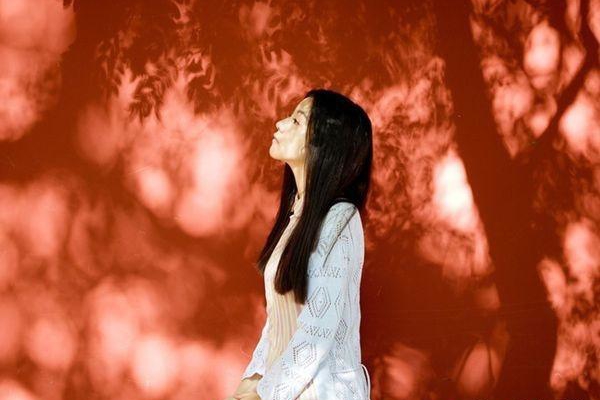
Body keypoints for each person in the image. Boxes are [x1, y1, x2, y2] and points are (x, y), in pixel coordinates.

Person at [226, 88, 373, 400]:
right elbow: (279, 323)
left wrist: (265, 393)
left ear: (324, 143)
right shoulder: (297, 215)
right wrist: (253, 379)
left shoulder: (341, 219)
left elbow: (318, 329)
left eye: (296, 120)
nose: (280, 124)